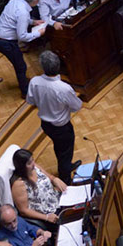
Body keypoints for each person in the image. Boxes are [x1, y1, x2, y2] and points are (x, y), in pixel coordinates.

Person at [26, 52, 82, 184]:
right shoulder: (63, 88)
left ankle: (66, 166)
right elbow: (77, 106)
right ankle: (66, 180)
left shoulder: (34, 82)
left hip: (46, 125)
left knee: (60, 148)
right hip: (62, 127)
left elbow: (30, 100)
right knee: (65, 152)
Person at [0, 0, 52, 99]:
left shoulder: (16, 1)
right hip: (5, 42)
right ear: (35, 1)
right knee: (21, 66)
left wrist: (33, 22)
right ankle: (25, 92)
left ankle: (24, 82)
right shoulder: (23, 12)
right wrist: (39, 33)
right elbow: (23, 36)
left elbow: (15, 19)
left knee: (19, 64)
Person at [11, 148, 66, 228]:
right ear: (22, 167)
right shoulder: (18, 185)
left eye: (32, 160)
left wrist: (55, 179)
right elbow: (24, 211)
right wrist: (46, 217)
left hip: (59, 201)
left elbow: (50, 177)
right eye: (29, 163)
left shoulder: (35, 167)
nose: (33, 164)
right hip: (49, 215)